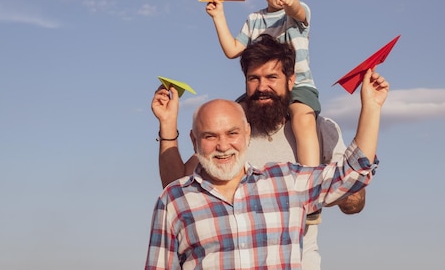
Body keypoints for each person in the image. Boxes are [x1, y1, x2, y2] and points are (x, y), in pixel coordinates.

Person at [153, 35, 366, 269]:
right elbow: (178, 189)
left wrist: (305, 193)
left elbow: (354, 201)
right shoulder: (232, 137)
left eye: (272, 77)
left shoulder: (320, 130)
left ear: (291, 80)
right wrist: (167, 123)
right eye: (254, 78)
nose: (262, 87)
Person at [205, 0, 320, 168]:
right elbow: (232, 50)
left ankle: (311, 176)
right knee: (232, 115)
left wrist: (291, 4)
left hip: (299, 85)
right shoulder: (255, 19)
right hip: (263, 88)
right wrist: (218, 16)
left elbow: (299, 12)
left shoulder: (297, 13)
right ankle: (227, 170)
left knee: (303, 118)